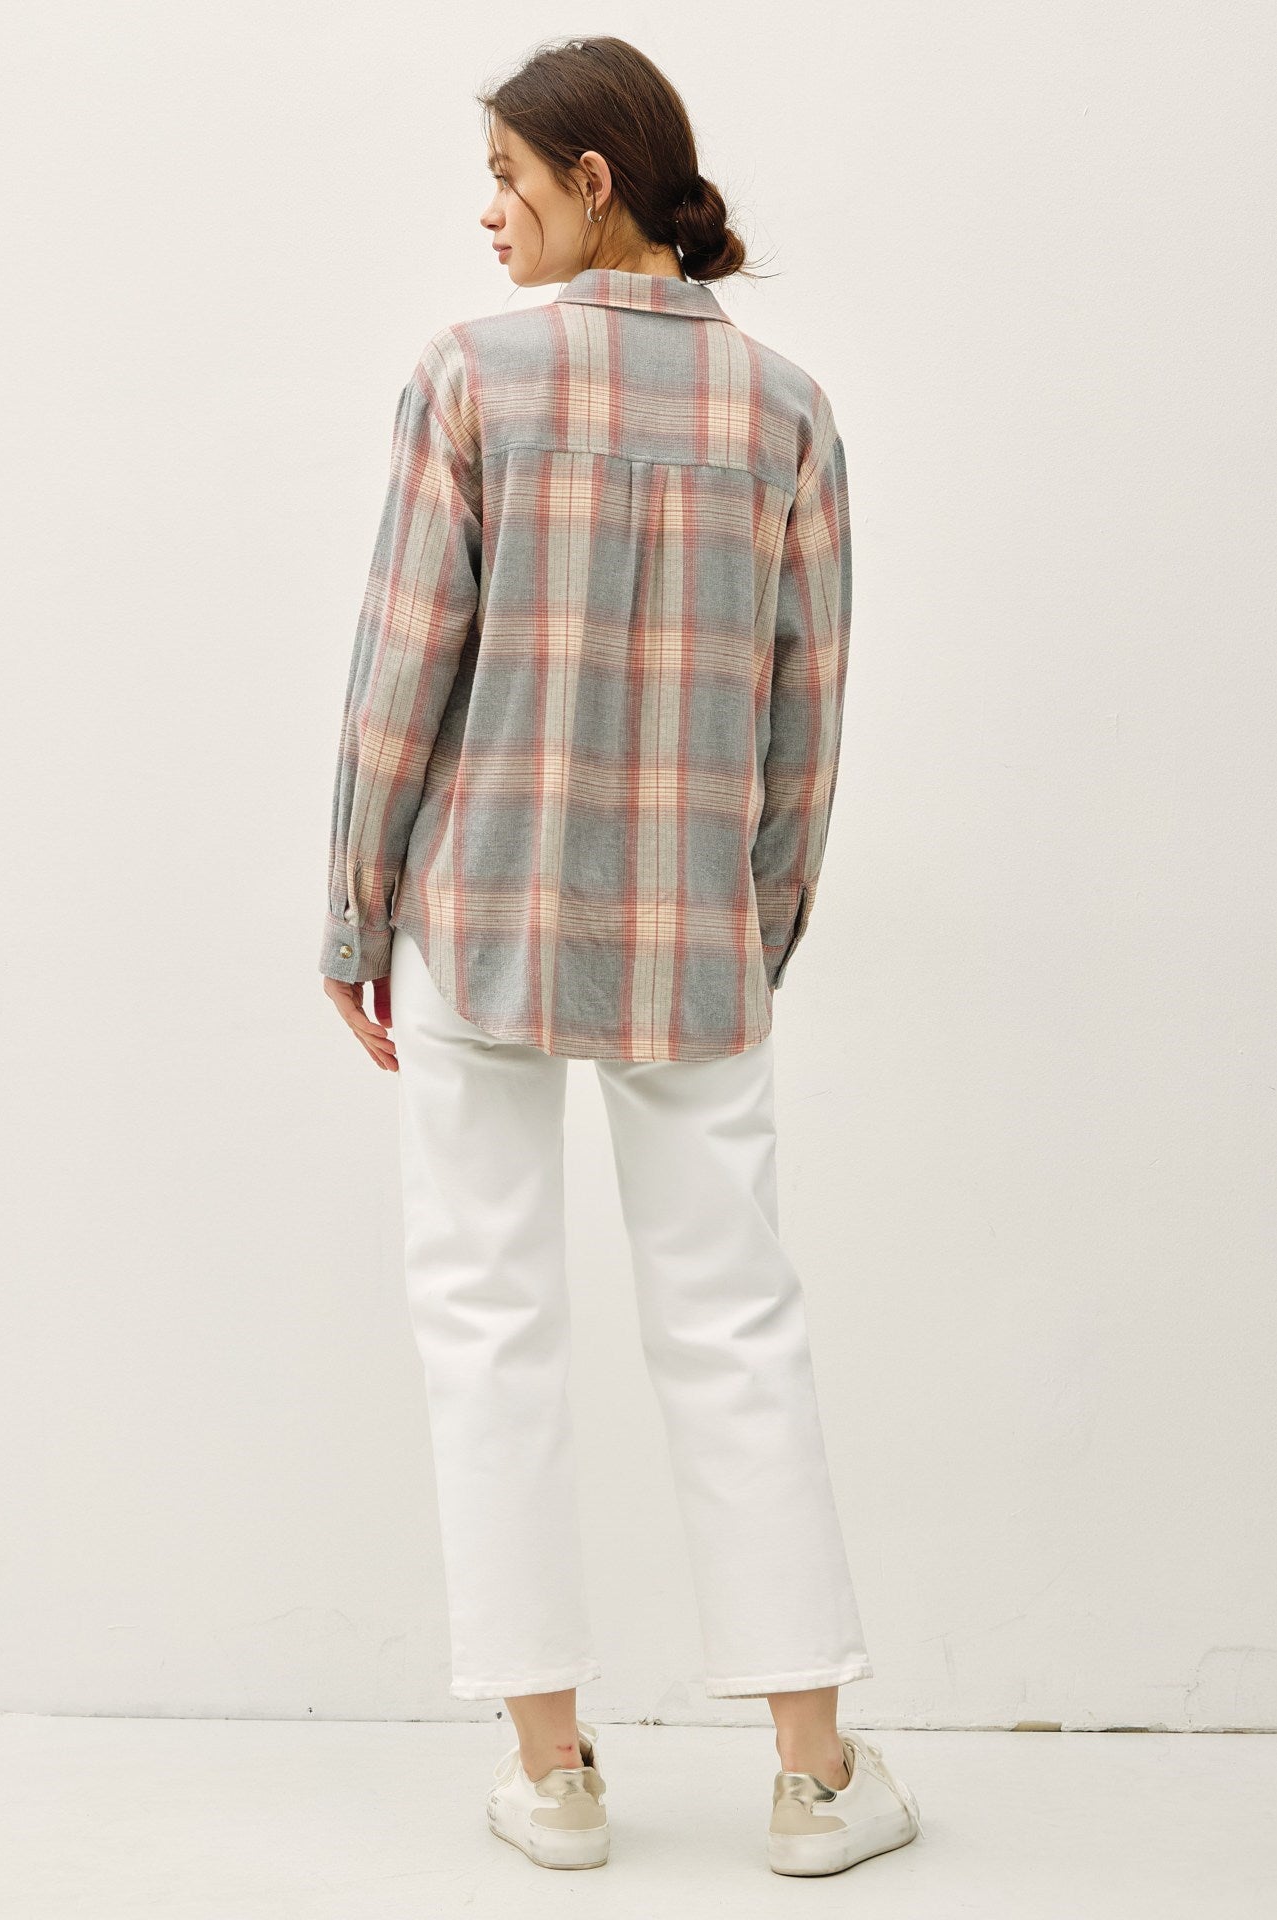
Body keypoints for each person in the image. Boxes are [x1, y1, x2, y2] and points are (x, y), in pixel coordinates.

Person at [318, 33, 922, 1880]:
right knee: (734, 1322)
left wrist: (355, 908)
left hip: (476, 922)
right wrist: (757, 928)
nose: (486, 213)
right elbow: (805, 723)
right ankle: (814, 1779)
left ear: (595, 181)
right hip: (693, 939)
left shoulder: (468, 378)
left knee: (487, 1320)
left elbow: (401, 669)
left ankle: (553, 1770)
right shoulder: (787, 411)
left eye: (508, 178)